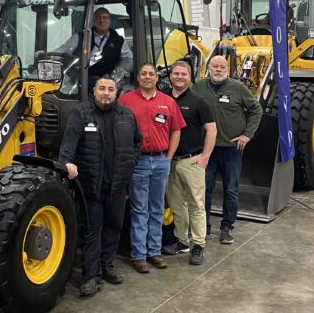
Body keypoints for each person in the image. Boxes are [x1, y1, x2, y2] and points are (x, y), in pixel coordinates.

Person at [59, 76, 142, 296]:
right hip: (91, 186)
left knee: (114, 227)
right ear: (94, 90)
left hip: (117, 186)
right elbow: (69, 141)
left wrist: (130, 164)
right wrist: (66, 161)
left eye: (110, 89)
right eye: (102, 88)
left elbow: (137, 142)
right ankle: (91, 277)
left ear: (117, 92)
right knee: (92, 231)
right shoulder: (82, 113)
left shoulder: (126, 115)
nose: (106, 93)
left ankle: (107, 266)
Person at [118, 63, 185, 273]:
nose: (147, 77)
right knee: (139, 209)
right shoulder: (126, 101)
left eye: (151, 74)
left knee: (156, 209)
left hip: (161, 162)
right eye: (144, 74)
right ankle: (139, 255)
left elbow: (176, 131)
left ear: (157, 78)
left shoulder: (168, 102)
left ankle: (154, 252)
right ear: (138, 78)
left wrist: (169, 158)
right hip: (138, 162)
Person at [192, 55, 262, 244]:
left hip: (231, 150)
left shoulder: (238, 88)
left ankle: (226, 227)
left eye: (223, 66)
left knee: (231, 189)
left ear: (227, 69)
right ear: (208, 67)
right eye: (215, 66)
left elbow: (256, 109)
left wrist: (247, 135)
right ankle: (203, 227)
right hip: (207, 150)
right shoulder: (198, 88)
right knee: (203, 189)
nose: (219, 69)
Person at [162, 60, 217, 266]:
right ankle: (182, 241)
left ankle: (199, 245)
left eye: (183, 74)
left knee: (196, 204)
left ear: (190, 77)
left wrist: (205, 157)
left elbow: (211, 130)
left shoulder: (198, 102)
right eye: (176, 73)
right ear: (170, 76)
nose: (179, 77)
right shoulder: (163, 98)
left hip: (191, 161)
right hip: (169, 161)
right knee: (176, 205)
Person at [46, 7, 133, 89]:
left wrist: (115, 76)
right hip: (82, 77)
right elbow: (63, 50)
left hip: (106, 79)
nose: (101, 20)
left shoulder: (119, 41)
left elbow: (128, 60)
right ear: (93, 20)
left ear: (110, 20)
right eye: (98, 17)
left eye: (105, 17)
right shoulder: (80, 37)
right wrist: (49, 57)